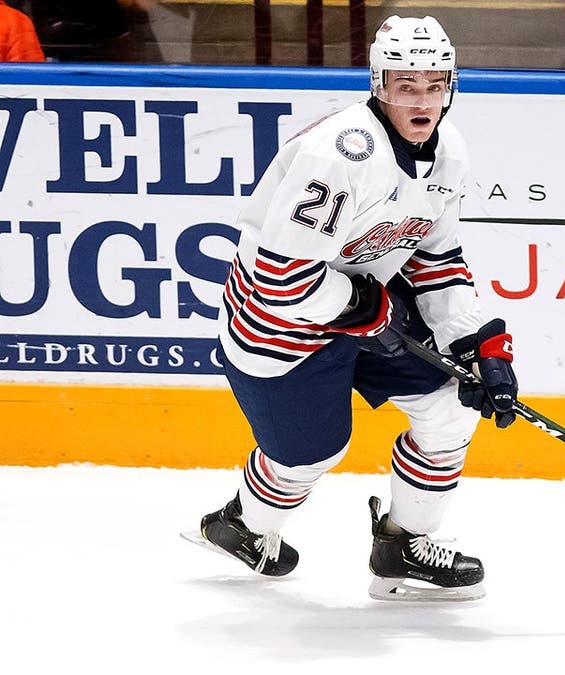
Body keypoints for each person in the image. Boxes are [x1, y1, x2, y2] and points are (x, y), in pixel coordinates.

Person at [184, 15, 519, 603]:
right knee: (311, 452)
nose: (422, 100)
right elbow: (277, 279)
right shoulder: (340, 153)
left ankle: (403, 544)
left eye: (435, 85)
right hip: (278, 323)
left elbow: (436, 255)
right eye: (405, 85)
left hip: (367, 302)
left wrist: (480, 342)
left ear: (453, 86)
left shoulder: (450, 153)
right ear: (378, 85)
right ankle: (241, 527)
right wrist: (360, 307)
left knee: (448, 404)